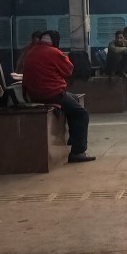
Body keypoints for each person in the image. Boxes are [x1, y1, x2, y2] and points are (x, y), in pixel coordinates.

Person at [22, 30, 96, 163]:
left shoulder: (30, 52)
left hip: (33, 94)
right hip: (52, 94)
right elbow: (69, 70)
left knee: (74, 99)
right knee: (81, 113)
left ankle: (72, 140)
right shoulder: (54, 53)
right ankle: (78, 152)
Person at [104, 30, 127, 109]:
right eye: (117, 38)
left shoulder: (125, 43)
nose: (119, 40)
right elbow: (115, 50)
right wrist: (124, 49)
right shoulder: (111, 43)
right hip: (111, 68)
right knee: (117, 55)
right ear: (115, 38)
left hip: (122, 68)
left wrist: (123, 50)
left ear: (123, 38)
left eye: (121, 38)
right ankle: (117, 72)